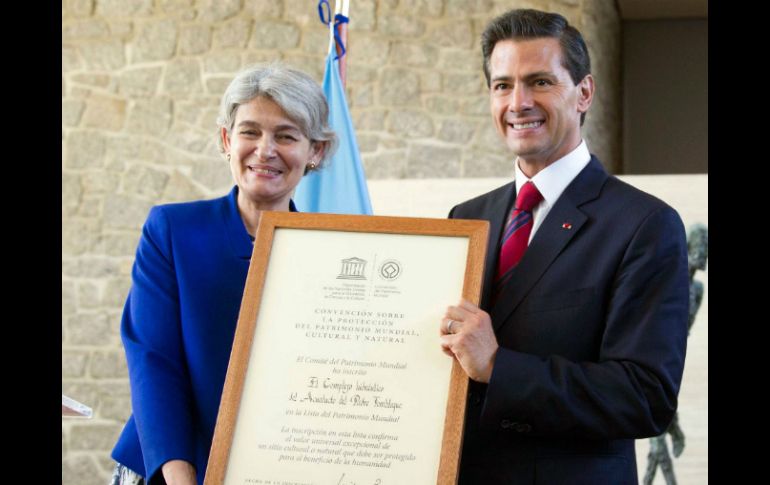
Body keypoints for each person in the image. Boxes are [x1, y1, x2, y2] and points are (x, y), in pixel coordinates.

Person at [438, 9, 689, 484]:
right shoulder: (466, 218)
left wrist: (498, 366)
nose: (518, 103)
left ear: (584, 93)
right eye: (502, 85)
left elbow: (643, 396)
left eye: (540, 82)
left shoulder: (645, 225)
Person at [109, 64, 337, 485]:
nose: (265, 150)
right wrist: (180, 475)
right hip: (173, 464)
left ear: (316, 151)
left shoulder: (333, 251)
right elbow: (153, 361)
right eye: (250, 132)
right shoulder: (172, 230)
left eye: (286, 136)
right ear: (227, 140)